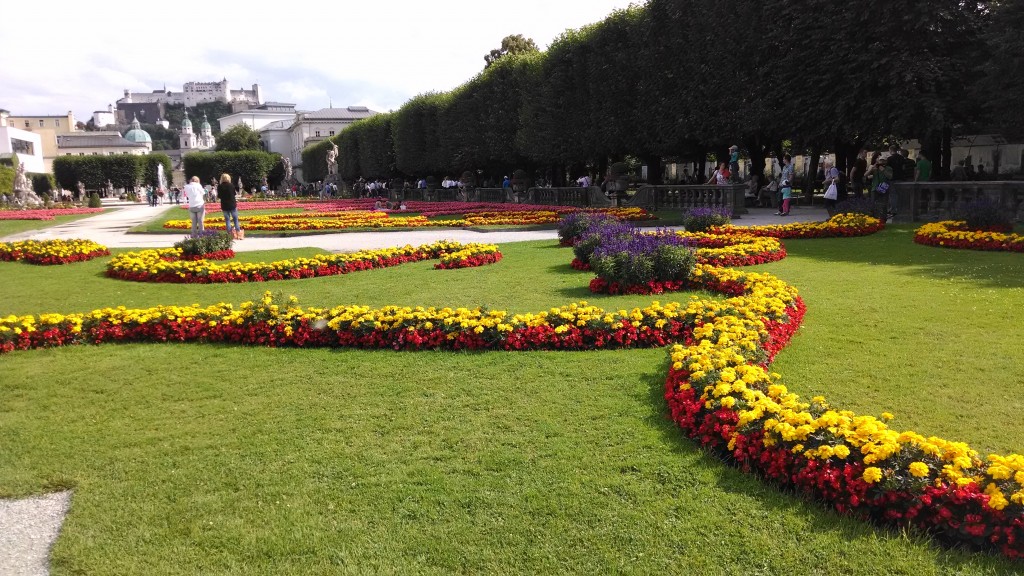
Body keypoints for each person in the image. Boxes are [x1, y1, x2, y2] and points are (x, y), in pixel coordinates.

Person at [865, 156, 893, 220]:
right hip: (875, 188)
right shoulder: (875, 168)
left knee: (884, 205)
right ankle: (873, 218)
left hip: (884, 188)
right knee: (873, 204)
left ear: (886, 161)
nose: (882, 162)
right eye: (881, 160)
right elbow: (866, 175)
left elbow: (890, 177)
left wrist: (883, 170)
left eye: (883, 160)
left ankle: (883, 219)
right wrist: (871, 169)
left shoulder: (888, 168)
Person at [217, 173, 241, 239]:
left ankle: (230, 235)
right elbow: (234, 194)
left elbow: (219, 196)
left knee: (227, 220)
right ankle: (238, 234)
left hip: (224, 205)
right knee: (235, 219)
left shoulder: (219, 186)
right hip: (232, 204)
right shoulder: (231, 185)